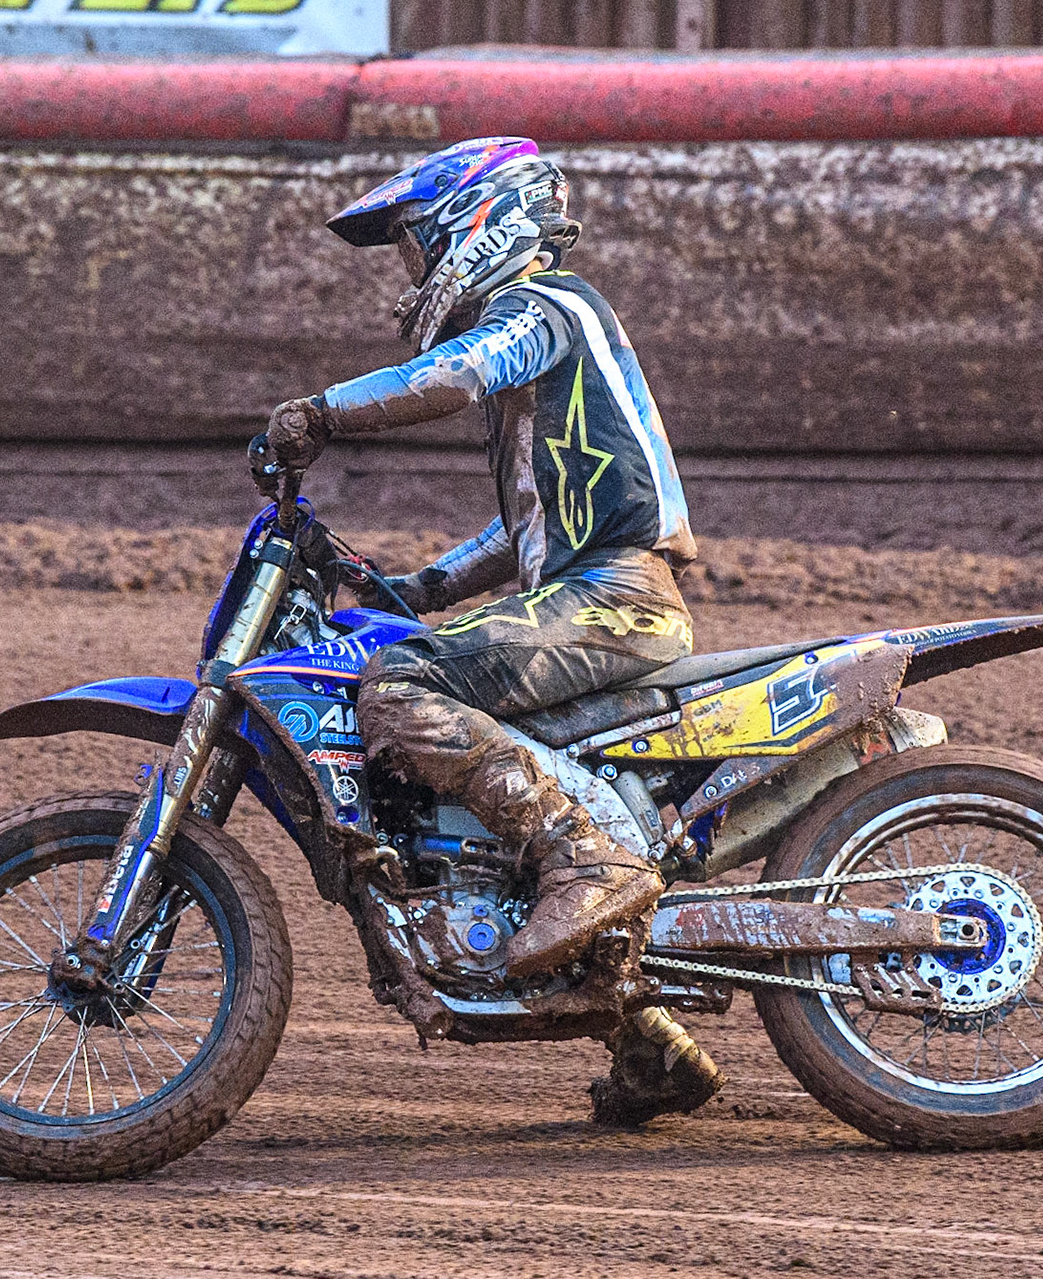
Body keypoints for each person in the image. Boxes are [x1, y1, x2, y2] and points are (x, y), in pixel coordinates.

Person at [264, 136, 724, 1126]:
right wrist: (421, 583)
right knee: (469, 775)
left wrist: (322, 411)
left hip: (611, 597)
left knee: (398, 687)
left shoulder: (541, 310)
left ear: (480, 223)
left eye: (415, 247)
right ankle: (644, 1032)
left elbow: (451, 375)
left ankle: (588, 858)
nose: (410, 276)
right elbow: (527, 519)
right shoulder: (553, 336)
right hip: (591, 586)